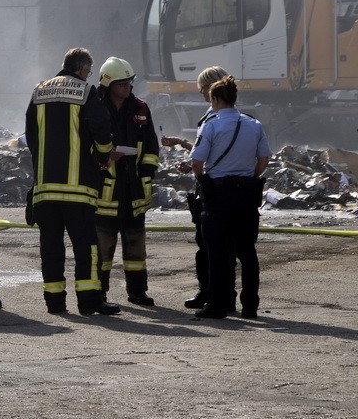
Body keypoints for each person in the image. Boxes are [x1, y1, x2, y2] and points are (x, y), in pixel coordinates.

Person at [25, 48, 118, 316]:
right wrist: (102, 156)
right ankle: (89, 302)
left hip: (45, 188)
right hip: (78, 188)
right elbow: (101, 130)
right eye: (88, 71)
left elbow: (32, 136)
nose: (88, 76)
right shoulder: (86, 91)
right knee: (86, 246)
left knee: (51, 248)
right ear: (81, 69)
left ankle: (54, 303)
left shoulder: (38, 91)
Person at [190, 76, 271, 319]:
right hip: (246, 194)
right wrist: (249, 176)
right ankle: (250, 305)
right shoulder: (253, 124)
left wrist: (203, 178)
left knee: (216, 250)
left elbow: (197, 162)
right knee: (247, 251)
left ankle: (218, 304)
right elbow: (264, 159)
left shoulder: (211, 125)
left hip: (218, 194)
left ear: (215, 99)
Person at [160, 65, 229, 309]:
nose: (201, 94)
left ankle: (209, 293)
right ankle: (222, 295)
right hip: (227, 189)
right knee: (223, 246)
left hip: (210, 189)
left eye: (202, 89)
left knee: (207, 244)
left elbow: (207, 156)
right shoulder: (237, 119)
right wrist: (182, 145)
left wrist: (195, 167)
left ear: (212, 88)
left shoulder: (212, 120)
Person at [95, 57, 160, 306]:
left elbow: (152, 146)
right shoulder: (96, 108)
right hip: (106, 188)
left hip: (134, 187)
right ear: (108, 84)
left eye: (129, 83)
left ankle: (137, 291)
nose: (127, 88)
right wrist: (103, 158)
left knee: (135, 246)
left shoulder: (140, 108)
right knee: (103, 246)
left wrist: (147, 172)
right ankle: (99, 292)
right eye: (121, 84)